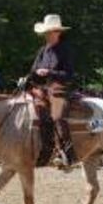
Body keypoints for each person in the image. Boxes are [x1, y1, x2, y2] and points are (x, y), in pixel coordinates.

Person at [29, 14, 76, 169]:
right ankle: (43, 151)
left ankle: (67, 153)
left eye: (50, 32)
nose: (47, 35)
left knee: (58, 116)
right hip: (42, 88)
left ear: (58, 32)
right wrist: (31, 76)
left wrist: (49, 72)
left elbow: (69, 74)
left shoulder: (65, 50)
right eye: (46, 33)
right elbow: (34, 70)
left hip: (59, 88)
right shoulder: (43, 51)